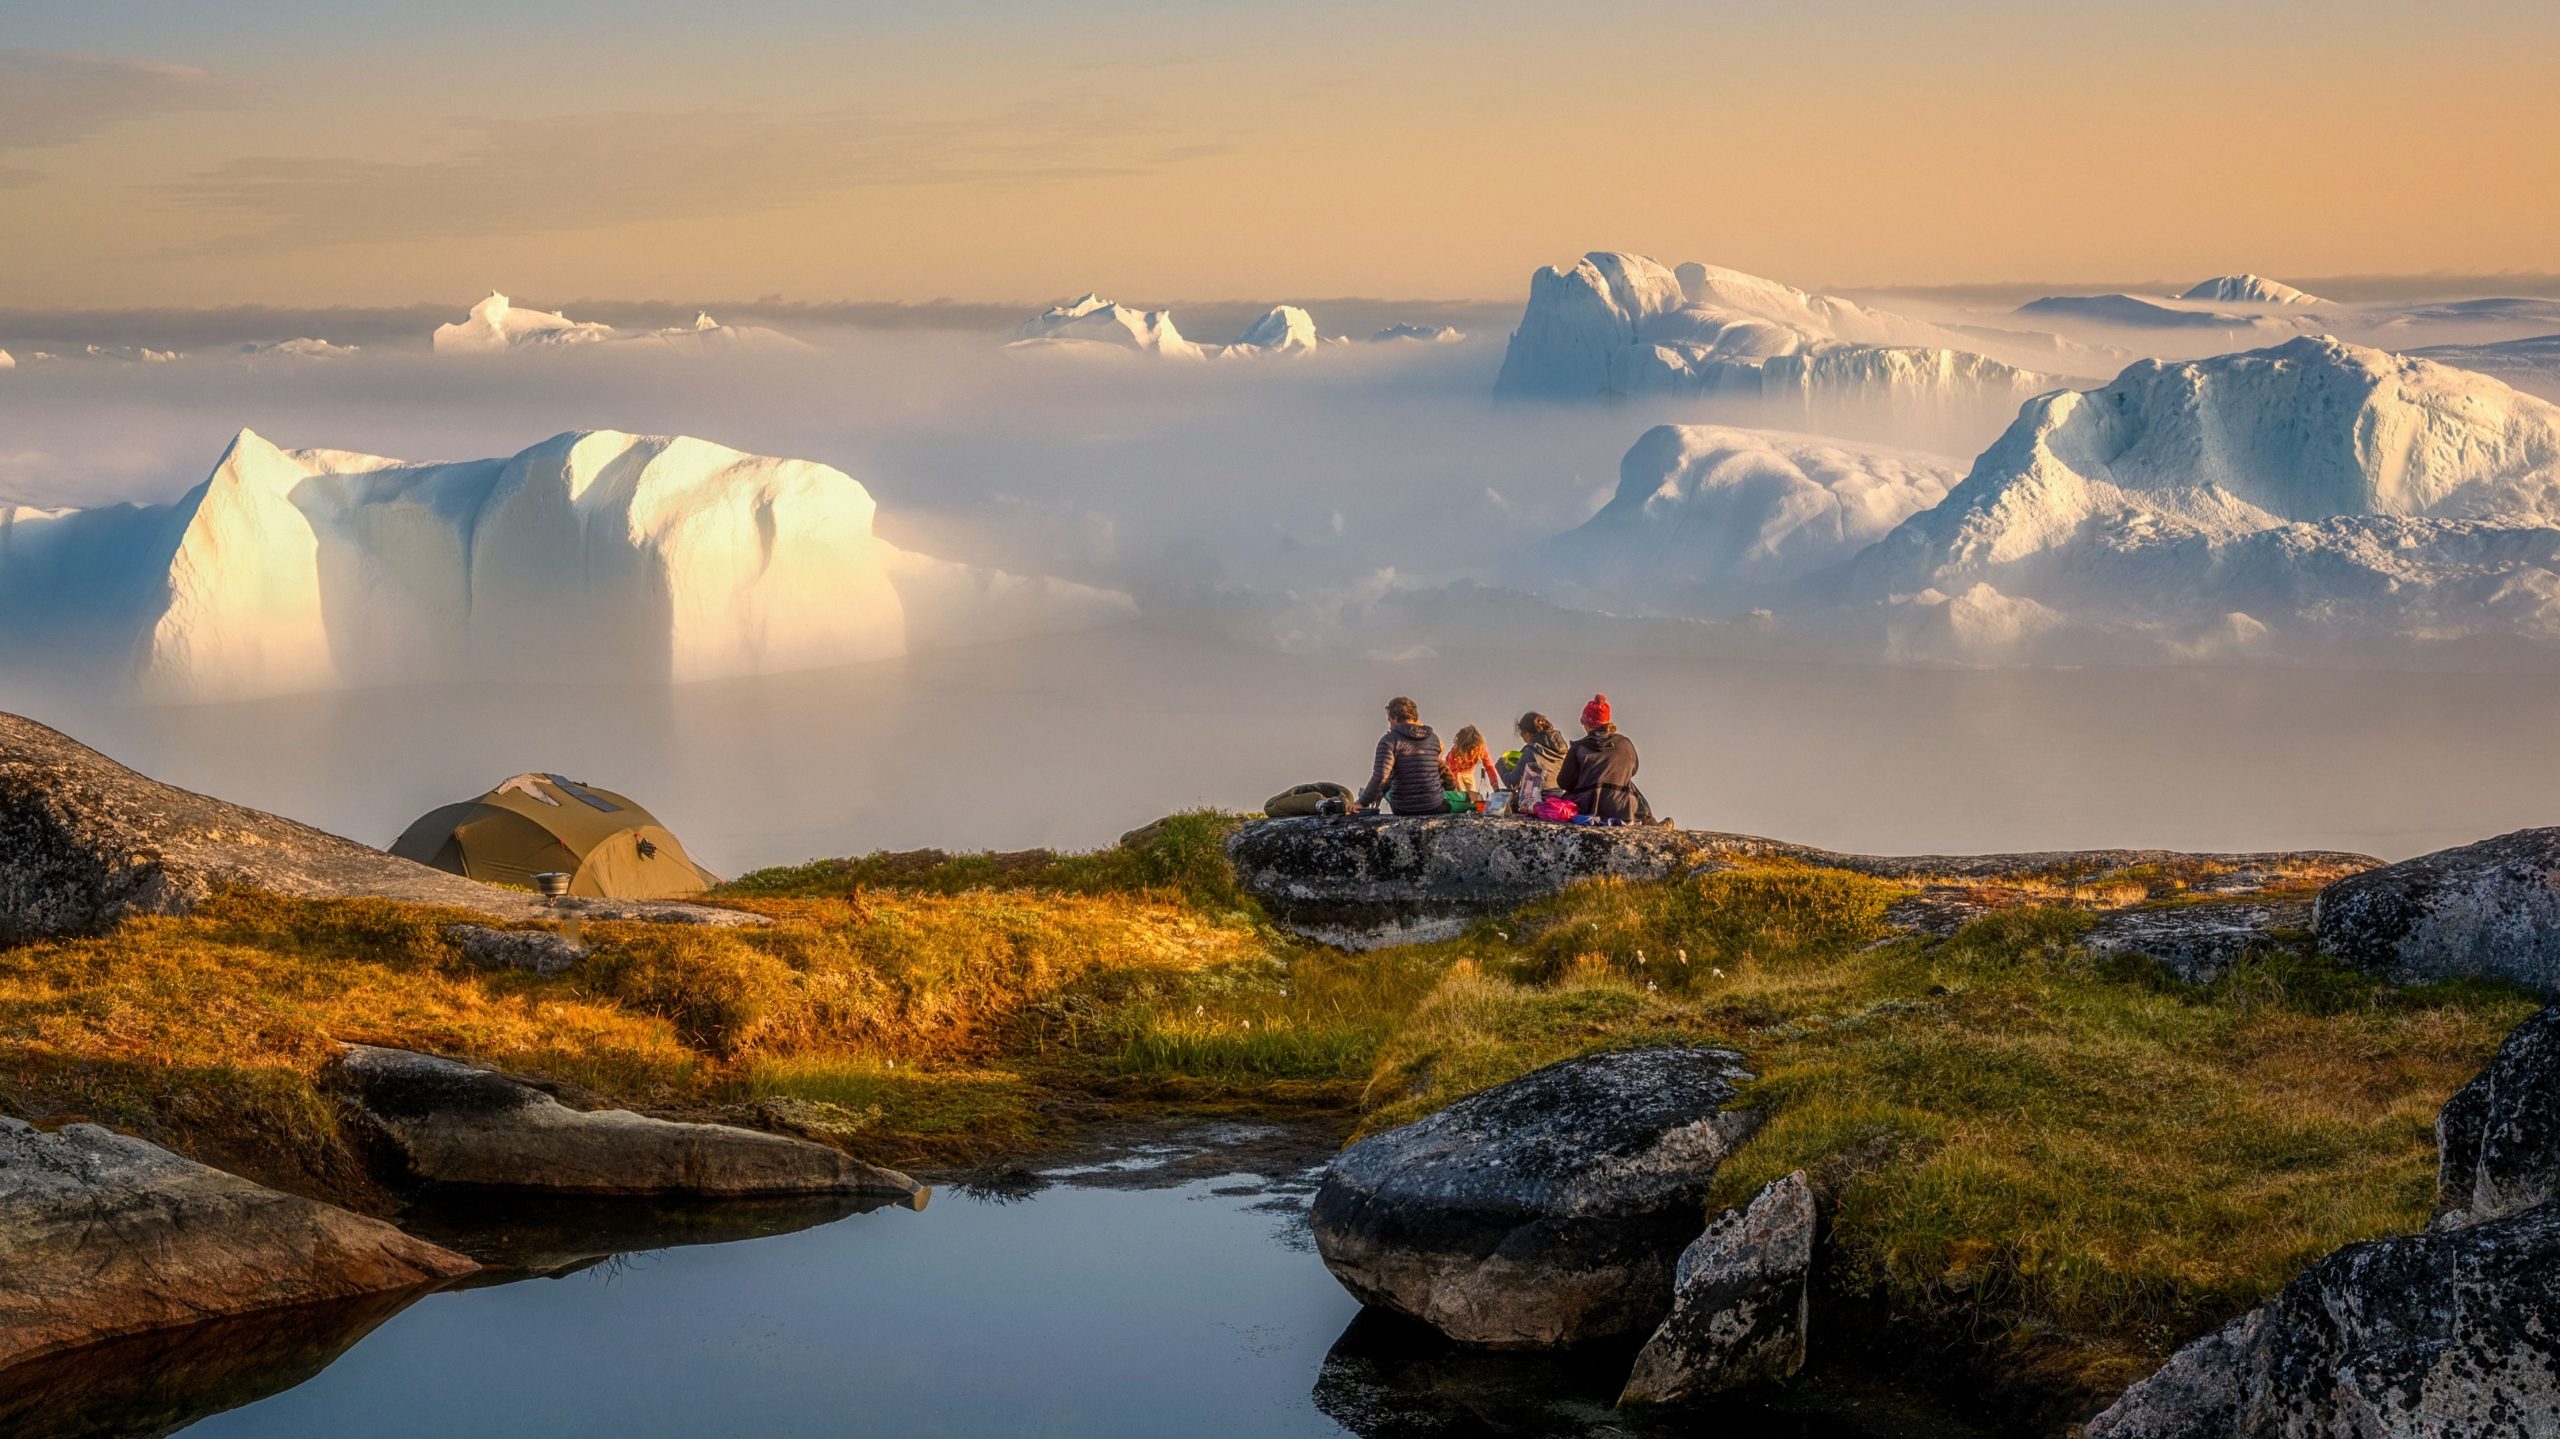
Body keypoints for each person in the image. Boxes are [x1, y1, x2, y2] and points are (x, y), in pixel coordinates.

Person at [1555, 693, 1644, 824]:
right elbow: (1634, 770)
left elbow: (1564, 782)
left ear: (1585, 721)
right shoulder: (1626, 744)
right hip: (1623, 808)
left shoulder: (1578, 747)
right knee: (1630, 785)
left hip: (1585, 807)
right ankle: (1650, 820)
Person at [1358, 696, 1448, 816]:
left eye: (1389, 719)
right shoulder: (1433, 738)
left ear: (1395, 718)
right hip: (1434, 805)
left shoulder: (1389, 740)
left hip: (1403, 808)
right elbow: (1438, 769)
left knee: (1381, 786)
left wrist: (1362, 802)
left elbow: (1381, 776)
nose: (1389, 724)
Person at [1505, 712, 1569, 810]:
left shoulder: (1532, 751)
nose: (1522, 737)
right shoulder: (1563, 750)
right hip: (1559, 802)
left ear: (1527, 733)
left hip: (1538, 804)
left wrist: (1500, 765)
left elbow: (1512, 782)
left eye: (1522, 733)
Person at [1441, 725, 1503, 809]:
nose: (1471, 751)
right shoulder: (1455, 752)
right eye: (1468, 749)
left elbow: (1489, 767)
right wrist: (1461, 793)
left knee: (1473, 798)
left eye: (1473, 748)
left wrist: (1496, 788)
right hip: (1454, 772)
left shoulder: (1481, 749)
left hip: (1469, 774)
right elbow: (1454, 774)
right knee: (1462, 796)